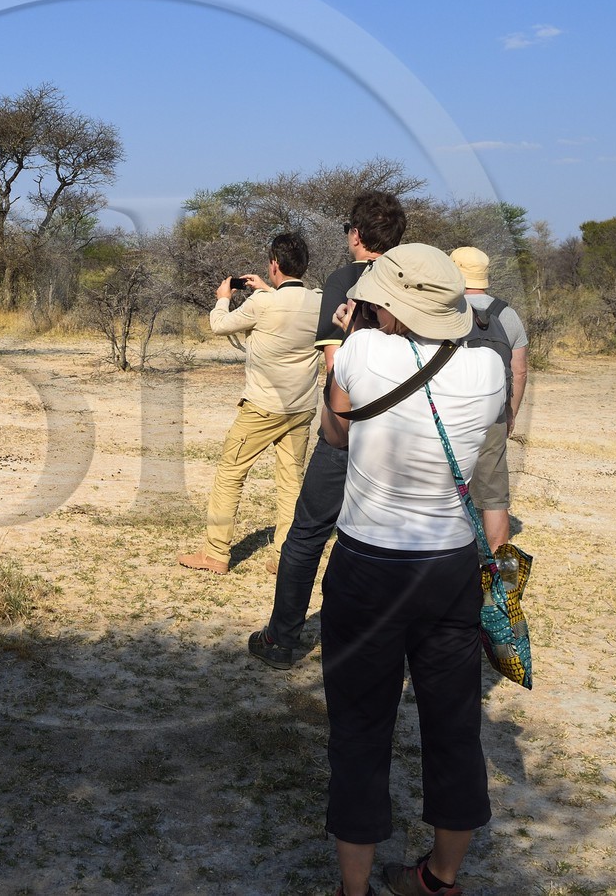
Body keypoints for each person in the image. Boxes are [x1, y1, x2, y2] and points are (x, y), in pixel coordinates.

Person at [317, 243, 505, 896]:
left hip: (368, 561)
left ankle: (355, 887)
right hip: (449, 563)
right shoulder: (489, 367)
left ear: (387, 302)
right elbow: (480, 451)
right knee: (454, 726)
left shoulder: (364, 351)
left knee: (360, 728)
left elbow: (336, 433)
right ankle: (440, 876)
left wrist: (357, 334)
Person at [248, 191, 407, 666]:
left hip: (349, 430)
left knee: (307, 534)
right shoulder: (412, 280)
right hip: (404, 432)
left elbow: (335, 363)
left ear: (356, 235)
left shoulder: (344, 280)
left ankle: (282, 639)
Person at [178, 231, 322, 574]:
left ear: (274, 264)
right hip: (301, 407)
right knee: (291, 481)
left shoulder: (262, 303)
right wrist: (267, 291)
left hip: (261, 406)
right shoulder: (319, 299)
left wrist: (222, 297)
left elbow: (219, 326)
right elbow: (287, 309)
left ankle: (215, 553)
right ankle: (285, 556)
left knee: (230, 473)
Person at [449, 246, 528, 549]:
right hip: (493, 413)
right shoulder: (508, 314)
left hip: (453, 413)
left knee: (448, 489)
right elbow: (519, 372)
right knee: (494, 496)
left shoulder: (447, 310)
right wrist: (510, 413)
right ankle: (495, 571)